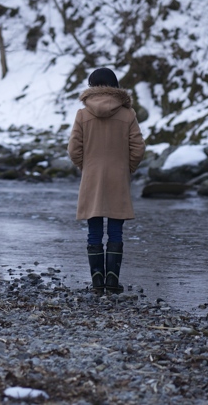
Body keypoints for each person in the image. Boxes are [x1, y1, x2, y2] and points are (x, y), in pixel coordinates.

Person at [67, 67, 146, 293]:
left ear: (92, 87)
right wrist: (125, 168)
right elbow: (138, 149)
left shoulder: (82, 114)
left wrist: (87, 167)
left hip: (92, 176)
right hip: (118, 178)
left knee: (94, 231)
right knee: (115, 230)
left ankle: (96, 283)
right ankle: (112, 282)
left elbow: (74, 149)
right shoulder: (127, 114)